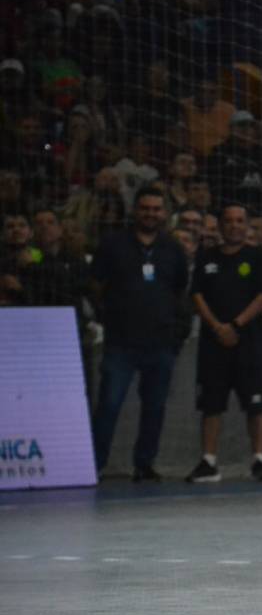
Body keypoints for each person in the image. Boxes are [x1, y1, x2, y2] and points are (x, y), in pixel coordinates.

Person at [90, 186, 189, 481]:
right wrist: (108, 315)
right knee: (108, 404)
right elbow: (95, 284)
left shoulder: (173, 250)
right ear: (135, 210)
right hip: (120, 343)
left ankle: (144, 464)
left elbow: (179, 290)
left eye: (156, 209)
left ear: (165, 213)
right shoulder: (112, 244)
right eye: (145, 208)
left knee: (155, 408)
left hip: (160, 344)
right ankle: (94, 465)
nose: (151, 213)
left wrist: (175, 336)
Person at [185, 204, 262, 483]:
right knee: (211, 404)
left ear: (247, 225)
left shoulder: (259, 257)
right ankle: (209, 462)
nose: (234, 225)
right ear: (221, 226)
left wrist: (236, 325)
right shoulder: (206, 257)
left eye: (240, 221)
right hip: (212, 343)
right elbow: (196, 295)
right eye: (229, 221)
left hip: (248, 342)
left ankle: (259, 461)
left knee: (255, 404)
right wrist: (217, 327)